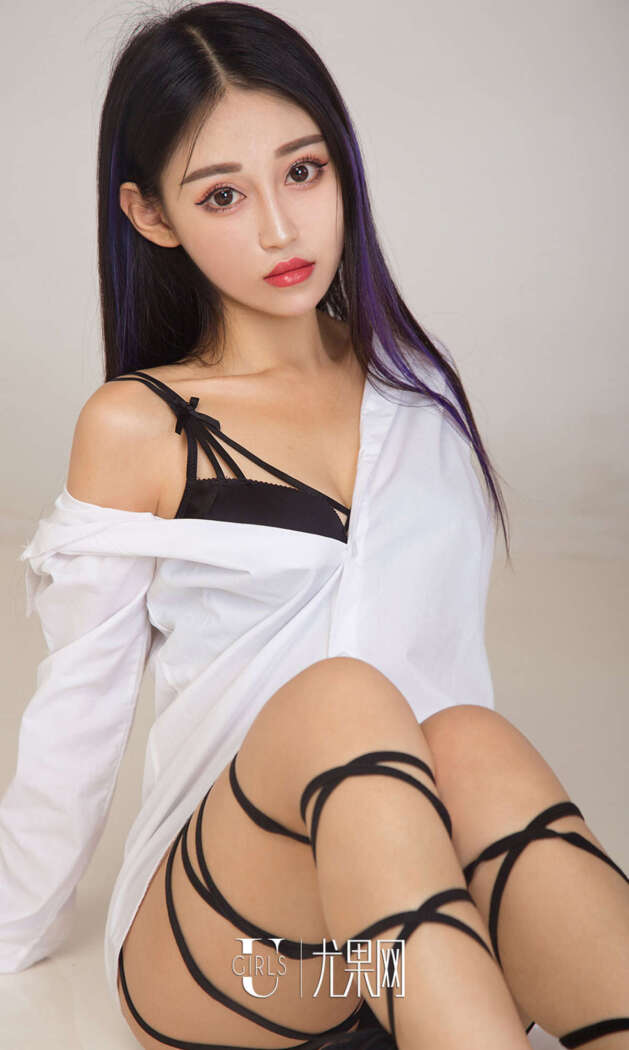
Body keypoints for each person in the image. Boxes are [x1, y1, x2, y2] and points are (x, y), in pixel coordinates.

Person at [1, 3, 628, 1048]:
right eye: (222, 194)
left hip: (405, 934)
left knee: (466, 737)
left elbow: (443, 666)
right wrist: (10, 928)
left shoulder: (417, 393)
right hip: (238, 948)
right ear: (152, 216)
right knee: (341, 700)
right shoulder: (137, 425)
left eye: (301, 172)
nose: (281, 231)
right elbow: (77, 722)